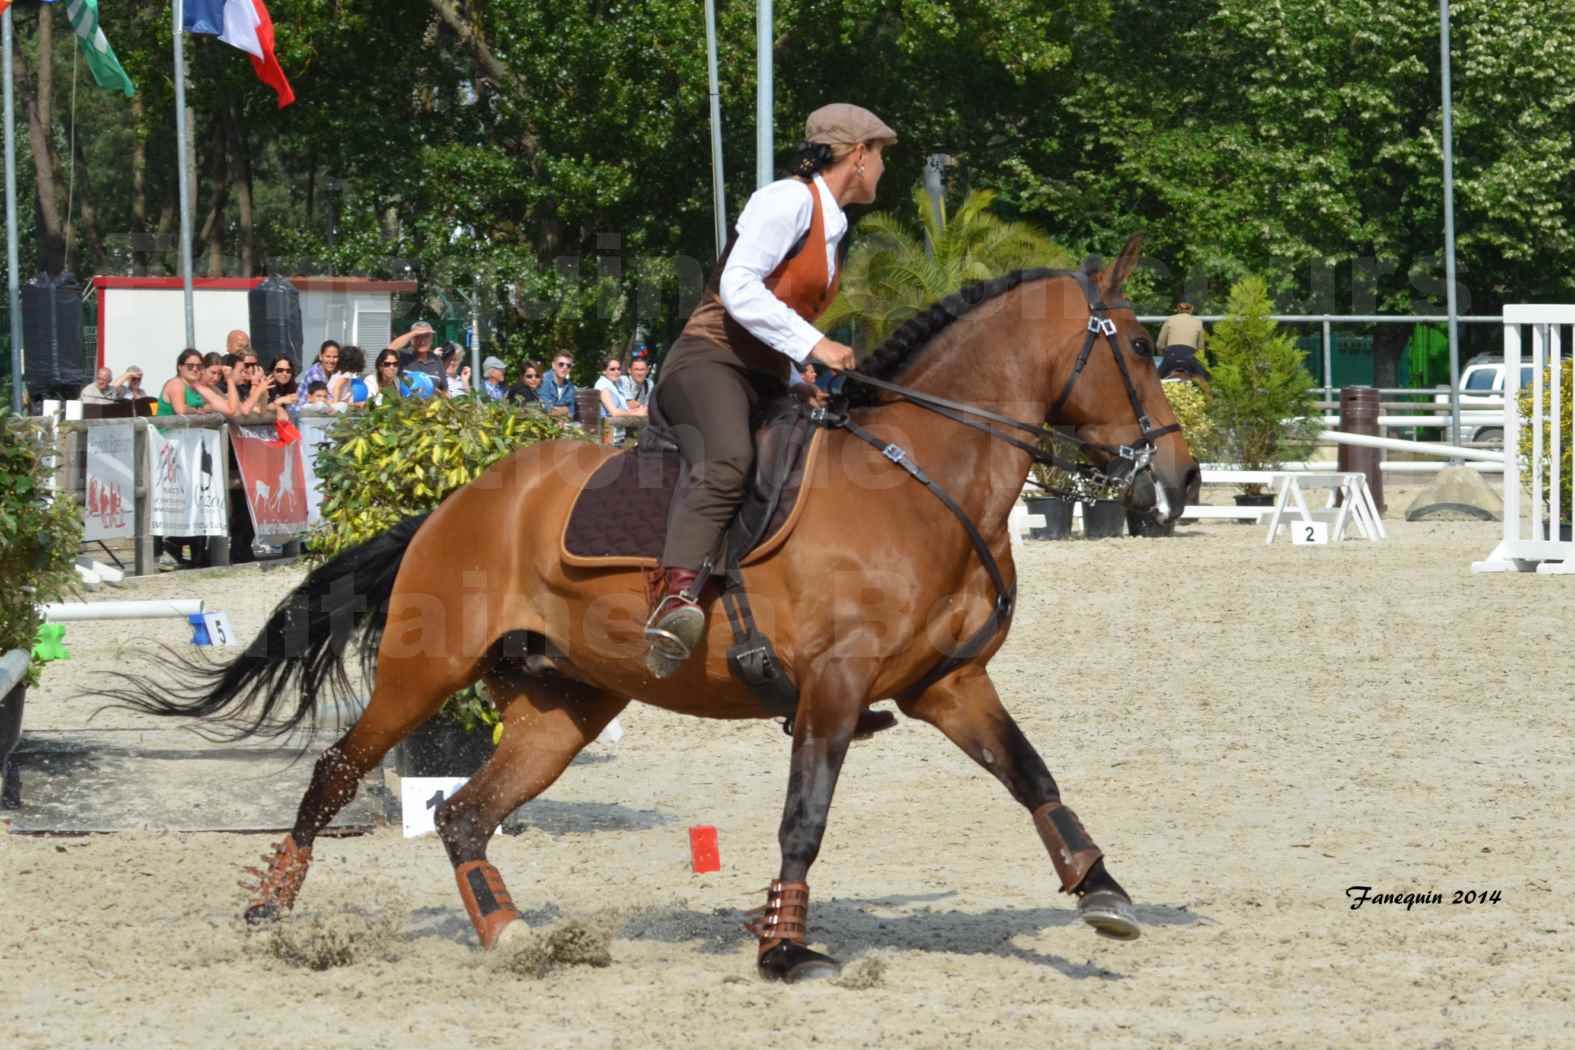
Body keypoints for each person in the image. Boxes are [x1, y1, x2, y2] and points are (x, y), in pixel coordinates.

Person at [642, 102, 895, 674]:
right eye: (880, 156)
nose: (883, 169)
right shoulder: (785, 200)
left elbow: (775, 309)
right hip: (707, 360)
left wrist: (791, 377)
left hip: (761, 376)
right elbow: (738, 287)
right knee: (729, 458)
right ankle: (675, 597)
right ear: (857, 156)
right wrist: (814, 345)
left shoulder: (833, 227)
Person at [159, 348, 239, 417]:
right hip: (168, 432)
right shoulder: (176, 383)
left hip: (190, 432)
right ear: (180, 367)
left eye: (198, 366)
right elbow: (180, 410)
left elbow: (231, 410)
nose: (195, 369)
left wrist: (229, 379)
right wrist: (198, 410)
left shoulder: (199, 387)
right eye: (190, 366)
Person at [593, 355, 647, 443]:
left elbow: (624, 408)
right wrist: (636, 413)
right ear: (604, 371)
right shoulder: (603, 386)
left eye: (618, 369)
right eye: (612, 369)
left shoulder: (616, 384)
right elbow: (614, 412)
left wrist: (639, 410)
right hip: (608, 435)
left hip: (619, 434)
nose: (616, 372)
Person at [1157, 302, 1209, 380]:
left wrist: (1163, 355)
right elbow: (1201, 347)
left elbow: (1159, 344)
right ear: (1192, 310)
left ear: (1178, 310)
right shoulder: (1198, 322)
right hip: (1190, 356)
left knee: (1154, 380)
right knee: (1206, 380)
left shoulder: (1170, 320)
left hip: (1171, 355)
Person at [389, 321, 444, 385]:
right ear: (411, 339)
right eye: (418, 336)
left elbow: (443, 389)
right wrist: (414, 333)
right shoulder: (402, 356)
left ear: (431, 339)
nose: (422, 341)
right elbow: (389, 350)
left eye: (426, 336)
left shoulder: (436, 360)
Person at [538, 352, 578, 418]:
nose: (565, 368)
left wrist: (559, 410)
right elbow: (546, 409)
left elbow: (571, 411)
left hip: (562, 424)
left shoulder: (570, 386)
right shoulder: (543, 380)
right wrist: (565, 409)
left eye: (568, 365)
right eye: (561, 364)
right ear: (553, 365)